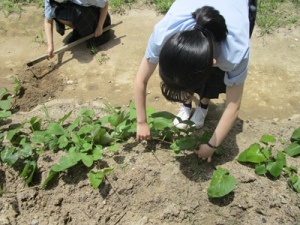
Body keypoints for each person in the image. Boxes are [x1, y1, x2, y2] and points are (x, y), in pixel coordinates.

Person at [134, 0, 257, 162]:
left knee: (207, 78)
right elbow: (141, 79)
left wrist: (212, 145)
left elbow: (233, 107)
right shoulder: (164, 33)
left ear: (213, 63)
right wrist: (141, 121)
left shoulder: (234, 53)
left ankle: (203, 106)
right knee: (187, 74)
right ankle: (187, 105)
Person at [44, 0, 111, 58]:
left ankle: (91, 32)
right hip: (79, 9)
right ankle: (79, 31)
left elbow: (105, 4)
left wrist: (99, 27)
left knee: (76, 13)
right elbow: (48, 21)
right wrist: (50, 46)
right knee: (56, 13)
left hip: (98, 17)